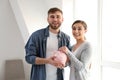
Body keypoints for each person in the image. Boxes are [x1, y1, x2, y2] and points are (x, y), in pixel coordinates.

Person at [25, 7, 71, 80]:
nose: (55, 19)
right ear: (48, 19)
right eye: (52, 17)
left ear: (62, 19)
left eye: (58, 17)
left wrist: (65, 63)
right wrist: (48, 61)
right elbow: (29, 58)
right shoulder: (36, 36)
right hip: (39, 77)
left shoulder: (66, 38)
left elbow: (69, 60)